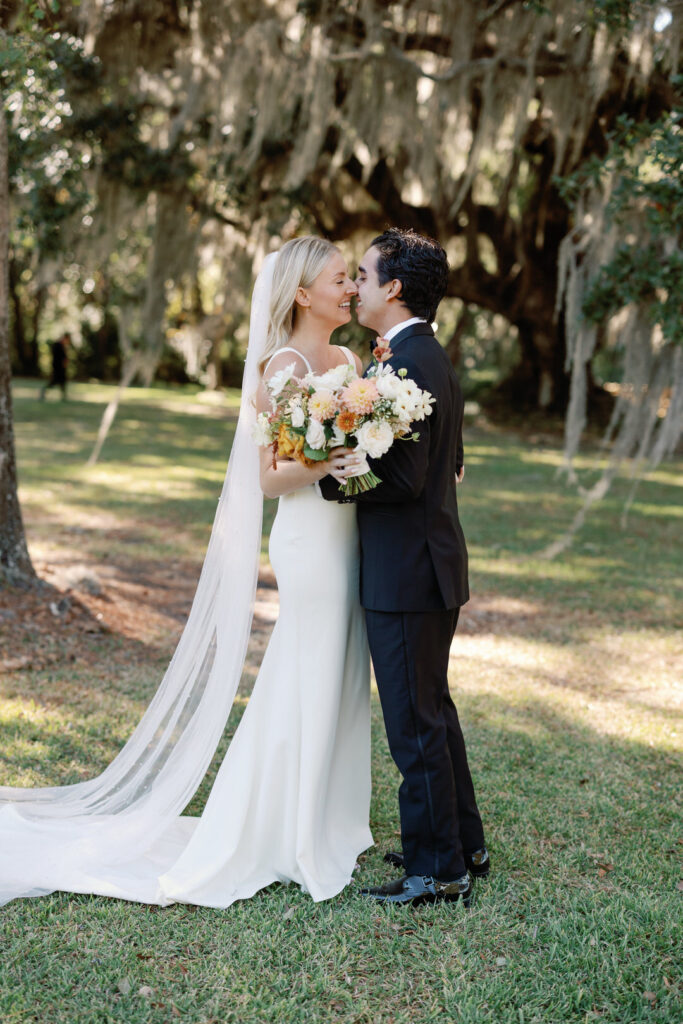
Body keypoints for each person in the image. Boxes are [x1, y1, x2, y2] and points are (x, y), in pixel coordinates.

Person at [0, 237, 372, 908]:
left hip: (351, 533)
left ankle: (329, 819)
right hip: (308, 539)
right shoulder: (281, 367)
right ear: (302, 294)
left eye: (351, 277)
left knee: (342, 668)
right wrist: (331, 456)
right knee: (306, 665)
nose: (351, 287)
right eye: (340, 277)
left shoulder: (350, 359)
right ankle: (283, 831)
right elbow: (268, 478)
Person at [320, 228, 489, 908]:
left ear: (392, 287)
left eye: (361, 274)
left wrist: (333, 482)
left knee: (414, 725)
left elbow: (408, 479)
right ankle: (462, 843)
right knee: (433, 714)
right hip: (427, 564)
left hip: (407, 570)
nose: (354, 285)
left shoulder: (408, 366)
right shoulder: (418, 354)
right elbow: (447, 462)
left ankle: (437, 871)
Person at [40, 332, 70, 401]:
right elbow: (58, 357)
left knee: (62, 382)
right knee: (54, 381)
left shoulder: (63, 346)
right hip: (58, 367)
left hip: (61, 368)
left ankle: (64, 396)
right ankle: (44, 391)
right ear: (64, 338)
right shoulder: (57, 345)